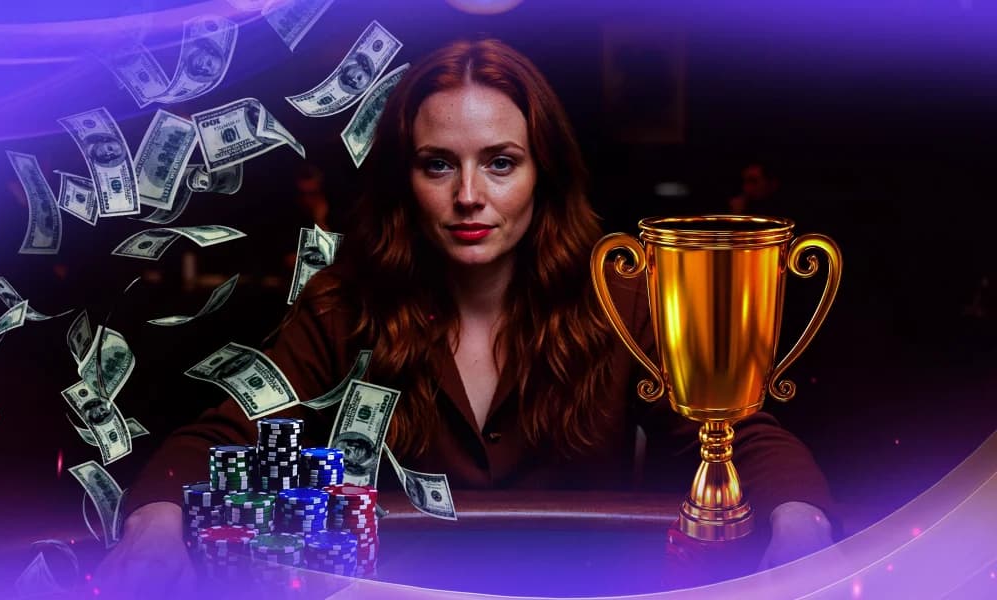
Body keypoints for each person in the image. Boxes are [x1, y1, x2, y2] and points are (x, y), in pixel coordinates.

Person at [96, 39, 837, 596]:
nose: (470, 196)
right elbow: (221, 436)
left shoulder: (623, 301)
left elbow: (736, 435)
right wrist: (158, 519)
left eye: (501, 162)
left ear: (545, 174)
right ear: (405, 178)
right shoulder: (345, 306)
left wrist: (801, 519)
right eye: (439, 164)